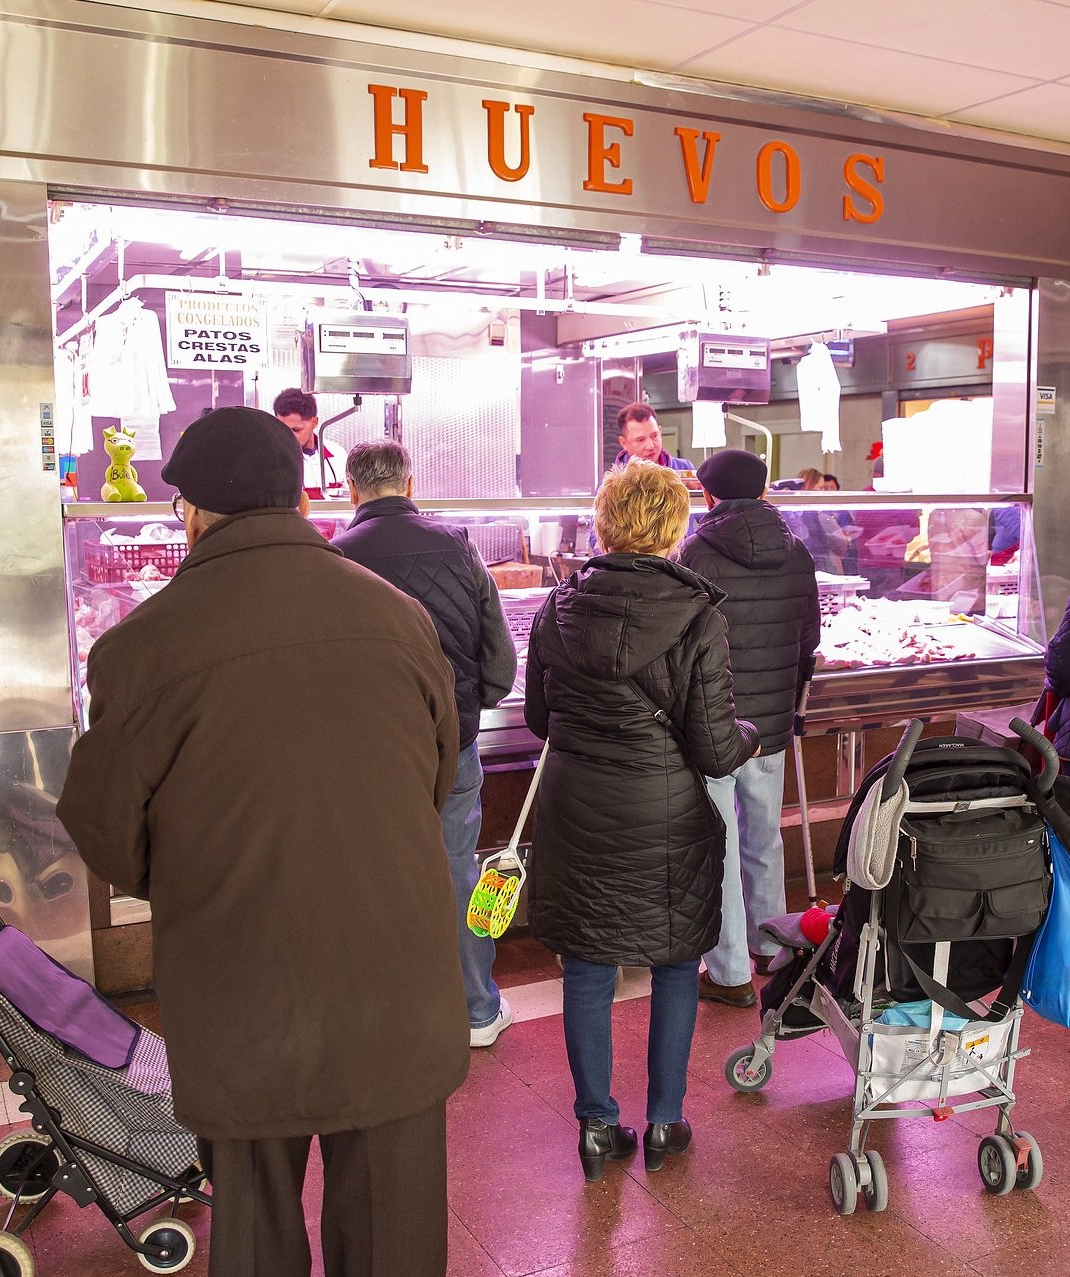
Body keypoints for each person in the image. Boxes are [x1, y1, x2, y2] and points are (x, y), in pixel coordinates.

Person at [58, 405, 462, 1277]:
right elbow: (433, 778)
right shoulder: (398, 619)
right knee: (395, 1229)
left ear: (192, 514)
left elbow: (102, 824)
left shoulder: (142, 646)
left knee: (249, 1224)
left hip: (241, 980)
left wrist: (199, 871)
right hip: (394, 976)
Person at [525, 460, 757, 1181]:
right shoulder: (698, 617)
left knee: (587, 968)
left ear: (605, 521)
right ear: (674, 527)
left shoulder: (555, 608)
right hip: (664, 816)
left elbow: (539, 717)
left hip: (576, 809)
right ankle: (664, 1121)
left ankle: (596, 1126)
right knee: (674, 963)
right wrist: (748, 732)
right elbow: (717, 751)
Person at [332, 441, 518, 1046]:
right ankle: (477, 1011)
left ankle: (382, 1015)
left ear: (352, 490)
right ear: (410, 485)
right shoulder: (461, 548)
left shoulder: (333, 557)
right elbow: (498, 655)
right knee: (456, 868)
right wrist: (476, 702)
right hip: (451, 743)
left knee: (368, 873)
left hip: (369, 749)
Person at [676, 449, 821, 1007]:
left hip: (715, 721)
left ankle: (730, 969)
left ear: (709, 496)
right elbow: (810, 637)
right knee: (764, 833)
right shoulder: (797, 551)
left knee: (721, 841)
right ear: (761, 493)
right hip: (774, 721)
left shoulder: (696, 552)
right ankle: (773, 945)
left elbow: (684, 642)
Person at [273, 387, 339, 497]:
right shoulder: (273, 461)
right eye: (283, 430)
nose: (289, 436)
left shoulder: (338, 455)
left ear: (314, 422)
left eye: (296, 430)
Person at [611, 402, 693, 471]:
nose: (650, 446)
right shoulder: (610, 486)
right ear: (624, 443)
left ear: (660, 432)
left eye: (654, 436)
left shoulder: (685, 470)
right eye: (641, 440)